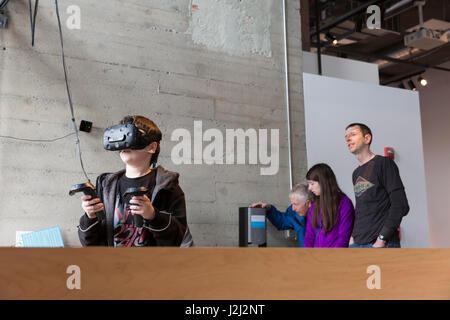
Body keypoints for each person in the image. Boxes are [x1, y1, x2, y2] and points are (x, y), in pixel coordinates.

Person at [77, 115, 193, 247]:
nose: (124, 139)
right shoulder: (106, 186)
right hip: (114, 265)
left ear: (152, 147)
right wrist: (90, 217)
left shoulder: (167, 187)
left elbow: (177, 239)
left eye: (131, 134)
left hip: (151, 265)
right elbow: (89, 242)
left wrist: (153, 216)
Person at [345, 123, 409, 248]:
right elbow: (361, 208)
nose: (348, 139)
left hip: (380, 244)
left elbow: (401, 205)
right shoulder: (355, 173)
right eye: (346, 136)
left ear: (367, 138)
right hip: (357, 243)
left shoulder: (384, 164)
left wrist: (382, 239)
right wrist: (352, 238)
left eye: (353, 134)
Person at [303, 163, 355, 248]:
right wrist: (309, 255)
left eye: (312, 184)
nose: (309, 188)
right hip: (315, 258)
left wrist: (330, 257)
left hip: (334, 257)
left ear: (323, 182)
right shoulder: (314, 206)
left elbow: (344, 237)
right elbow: (309, 236)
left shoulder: (345, 203)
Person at [250, 184, 314, 247]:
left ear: (308, 203)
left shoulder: (321, 217)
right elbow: (282, 221)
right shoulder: (294, 213)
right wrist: (268, 208)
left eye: (296, 204)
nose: (293, 208)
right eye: (292, 204)